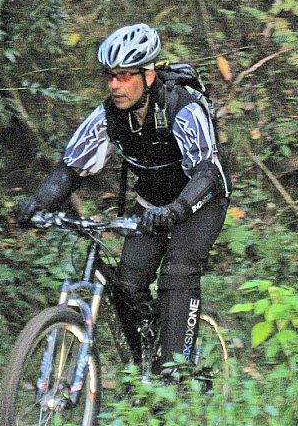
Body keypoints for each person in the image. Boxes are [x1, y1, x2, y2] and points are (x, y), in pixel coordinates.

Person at [14, 23, 231, 377]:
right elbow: (71, 168)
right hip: (151, 204)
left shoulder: (183, 108)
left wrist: (176, 210)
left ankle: (175, 373)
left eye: (125, 76)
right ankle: (142, 365)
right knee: (128, 284)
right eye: (110, 76)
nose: (115, 85)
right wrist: (39, 202)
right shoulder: (108, 117)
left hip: (199, 201)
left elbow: (208, 171)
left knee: (177, 270)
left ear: (148, 75)